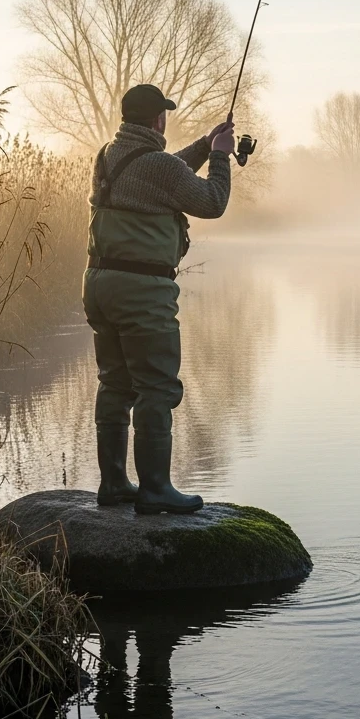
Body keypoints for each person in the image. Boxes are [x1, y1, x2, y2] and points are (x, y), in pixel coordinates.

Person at [83, 83, 235, 514]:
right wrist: (221, 155)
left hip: (98, 284)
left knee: (115, 382)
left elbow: (165, 173)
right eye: (164, 113)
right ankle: (154, 489)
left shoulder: (108, 156)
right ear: (157, 119)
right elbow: (211, 201)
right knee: (157, 386)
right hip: (141, 292)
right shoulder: (155, 167)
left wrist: (206, 144)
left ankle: (113, 484)